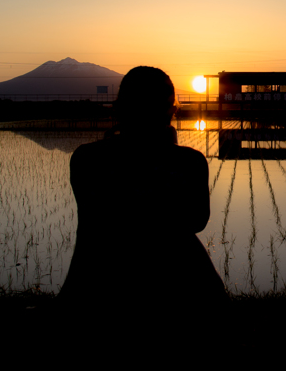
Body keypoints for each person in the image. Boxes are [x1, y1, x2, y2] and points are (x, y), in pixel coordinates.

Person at [60, 66, 225, 316]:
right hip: (181, 290)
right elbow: (196, 221)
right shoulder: (189, 162)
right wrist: (168, 149)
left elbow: (101, 218)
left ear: (119, 108)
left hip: (98, 285)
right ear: (171, 110)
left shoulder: (86, 159)